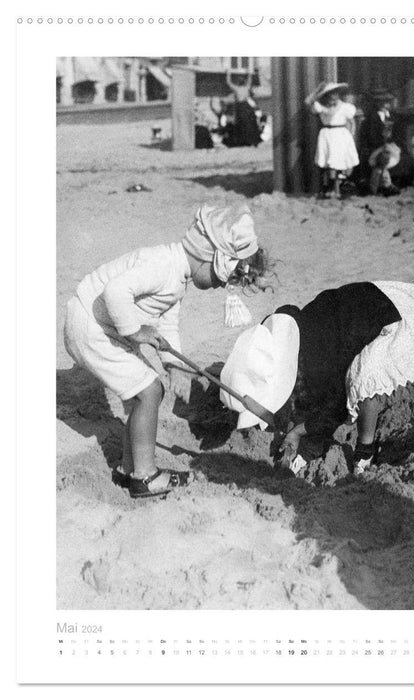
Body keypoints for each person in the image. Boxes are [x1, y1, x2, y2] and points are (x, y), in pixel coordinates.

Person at [64, 204, 272, 498]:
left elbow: (168, 325)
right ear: (209, 257)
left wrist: (174, 365)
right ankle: (145, 477)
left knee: (149, 391)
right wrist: (136, 331)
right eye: (221, 278)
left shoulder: (177, 276)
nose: (219, 286)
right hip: (90, 326)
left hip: (100, 326)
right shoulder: (163, 266)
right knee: (148, 391)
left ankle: (129, 468)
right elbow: (115, 292)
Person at [220, 281, 414, 476]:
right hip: (363, 298)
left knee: (363, 379)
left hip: (388, 313)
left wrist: (297, 431)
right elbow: (287, 310)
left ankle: (365, 452)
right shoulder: (284, 335)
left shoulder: (319, 365)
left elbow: (336, 411)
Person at [305, 82, 359, 199]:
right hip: (327, 134)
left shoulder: (345, 107)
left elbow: (352, 121)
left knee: (339, 161)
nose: (333, 97)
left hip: (340, 134)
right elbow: (308, 102)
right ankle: (331, 189)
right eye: (330, 95)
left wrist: (351, 135)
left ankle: (338, 188)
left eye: (335, 94)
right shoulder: (321, 107)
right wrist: (317, 92)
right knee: (330, 163)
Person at [224, 69, 262, 147]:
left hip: (242, 106)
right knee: (248, 123)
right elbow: (249, 81)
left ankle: (249, 141)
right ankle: (249, 141)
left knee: (245, 123)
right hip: (243, 106)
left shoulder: (238, 88)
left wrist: (228, 73)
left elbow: (229, 82)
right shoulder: (245, 87)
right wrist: (249, 73)